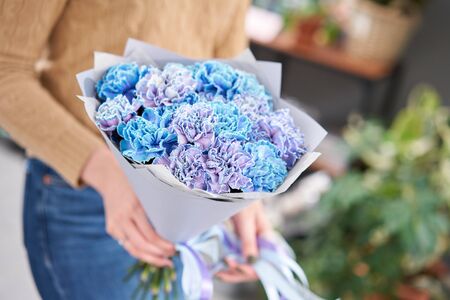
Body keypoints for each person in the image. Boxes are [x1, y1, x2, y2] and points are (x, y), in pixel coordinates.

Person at [0, 0, 273, 299]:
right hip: (85, 197)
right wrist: (104, 171)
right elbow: (5, 70)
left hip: (183, 203)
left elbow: (228, 71)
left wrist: (241, 188)